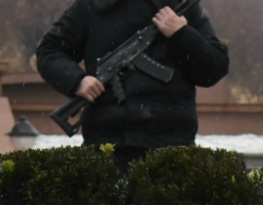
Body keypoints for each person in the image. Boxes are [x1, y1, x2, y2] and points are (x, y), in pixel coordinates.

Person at [35, 0, 228, 168]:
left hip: (172, 146)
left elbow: (214, 68)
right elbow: (49, 51)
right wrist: (78, 81)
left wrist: (181, 34)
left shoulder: (180, 6)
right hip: (108, 147)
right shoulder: (92, 6)